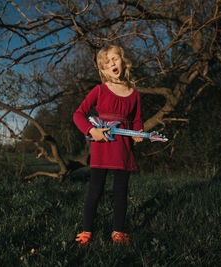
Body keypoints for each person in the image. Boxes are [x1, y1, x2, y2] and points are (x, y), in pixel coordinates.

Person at [73, 45, 143, 245]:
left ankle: (118, 232)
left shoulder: (134, 94)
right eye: (107, 62)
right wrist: (91, 130)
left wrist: (139, 132)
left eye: (115, 59)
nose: (112, 63)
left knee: (121, 192)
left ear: (123, 61)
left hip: (122, 150)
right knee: (95, 190)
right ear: (103, 70)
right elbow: (78, 114)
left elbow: (137, 120)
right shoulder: (99, 90)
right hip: (101, 147)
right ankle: (87, 231)